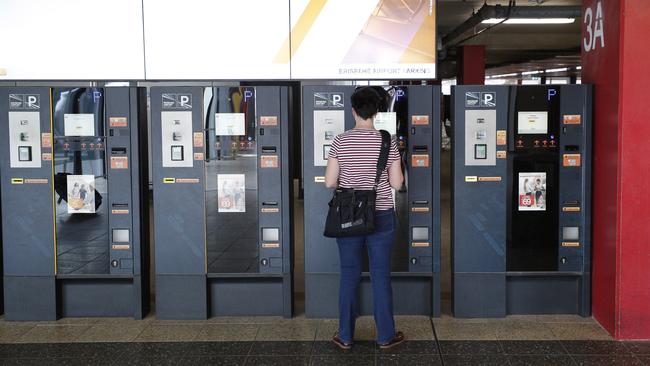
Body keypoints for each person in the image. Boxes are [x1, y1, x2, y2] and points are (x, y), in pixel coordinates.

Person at [324, 87, 405, 350]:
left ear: (353, 110)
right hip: (381, 214)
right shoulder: (387, 141)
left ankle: (345, 336)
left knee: (349, 275)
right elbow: (397, 182)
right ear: (377, 112)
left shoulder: (340, 141)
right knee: (380, 275)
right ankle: (385, 336)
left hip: (349, 215)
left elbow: (329, 182)